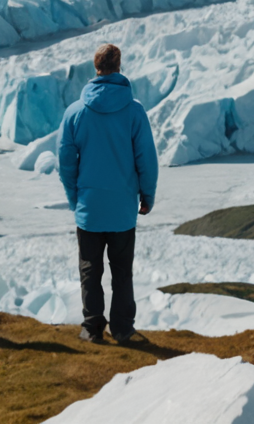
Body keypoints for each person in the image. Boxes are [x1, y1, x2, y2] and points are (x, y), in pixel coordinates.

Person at [57, 43, 159, 344]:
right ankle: (123, 329)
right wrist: (147, 195)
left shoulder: (75, 112)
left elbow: (65, 163)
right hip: (122, 209)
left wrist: (76, 199)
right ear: (119, 66)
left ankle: (91, 327)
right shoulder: (134, 111)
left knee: (90, 270)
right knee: (121, 272)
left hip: (89, 207)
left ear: (95, 67)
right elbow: (146, 159)